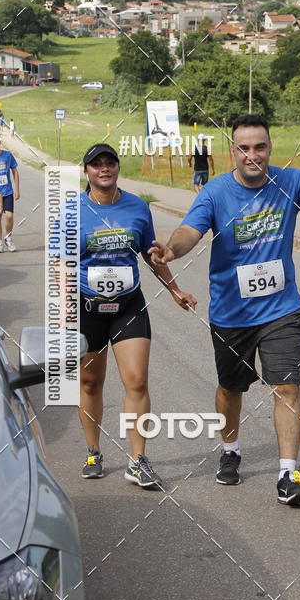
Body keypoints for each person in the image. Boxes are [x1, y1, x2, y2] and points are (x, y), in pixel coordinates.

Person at [150, 114, 300, 506]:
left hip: (281, 309)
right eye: (244, 148)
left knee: (286, 385)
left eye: (260, 147)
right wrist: (171, 249)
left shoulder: (290, 182)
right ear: (232, 152)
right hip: (230, 314)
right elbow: (190, 231)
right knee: (230, 389)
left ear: (269, 149)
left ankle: (288, 473)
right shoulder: (215, 193)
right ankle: (230, 448)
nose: (252, 155)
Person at [53, 143, 197, 487]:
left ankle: (138, 460)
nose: (104, 169)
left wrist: (175, 289)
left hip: (128, 305)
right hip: (88, 307)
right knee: (90, 381)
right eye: (96, 164)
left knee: (137, 380)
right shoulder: (72, 210)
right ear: (86, 172)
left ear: (117, 168)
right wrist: (64, 310)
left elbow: (152, 255)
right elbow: (63, 263)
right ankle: (93, 451)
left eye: (110, 163)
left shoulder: (137, 207)